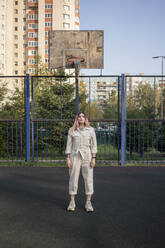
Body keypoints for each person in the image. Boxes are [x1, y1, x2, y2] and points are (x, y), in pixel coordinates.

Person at [65, 112, 97, 212]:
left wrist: (93, 158)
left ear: (86, 119)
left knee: (88, 179)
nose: (81, 118)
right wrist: (68, 158)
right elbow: (68, 145)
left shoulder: (91, 130)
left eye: (83, 116)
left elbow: (93, 145)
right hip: (75, 156)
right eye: (79, 117)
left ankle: (88, 202)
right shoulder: (72, 130)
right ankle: (72, 202)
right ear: (77, 119)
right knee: (73, 178)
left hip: (87, 156)